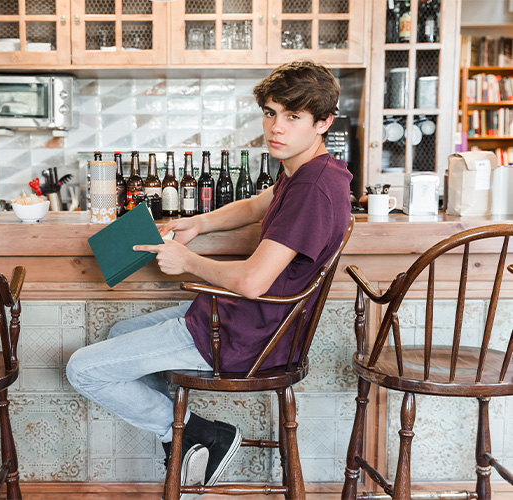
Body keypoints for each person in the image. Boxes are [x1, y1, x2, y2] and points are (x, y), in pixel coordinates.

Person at [67, 60, 353, 498]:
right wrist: (198, 223)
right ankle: (184, 439)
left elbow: (254, 282)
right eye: (271, 112)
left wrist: (187, 261)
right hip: (251, 321)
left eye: (293, 116)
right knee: (121, 331)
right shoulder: (310, 170)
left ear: (324, 122)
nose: (276, 127)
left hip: (246, 334)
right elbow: (259, 204)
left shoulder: (313, 189)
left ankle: (197, 435)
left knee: (82, 369)